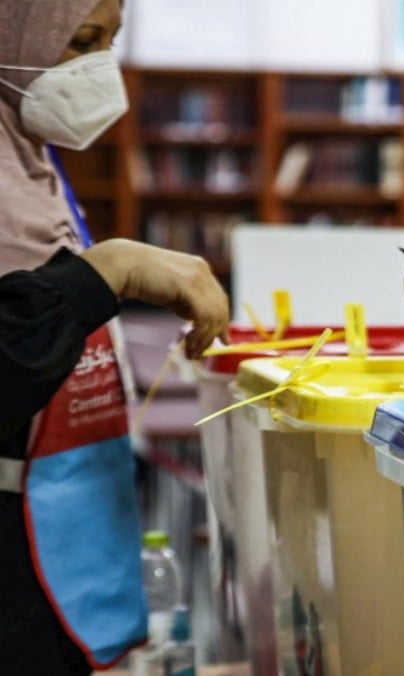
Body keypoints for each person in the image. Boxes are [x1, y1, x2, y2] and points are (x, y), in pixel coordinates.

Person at [0, 1, 229, 673]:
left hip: (56, 530)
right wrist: (106, 272)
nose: (100, 68)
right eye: (79, 41)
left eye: (110, 42)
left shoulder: (27, 163)